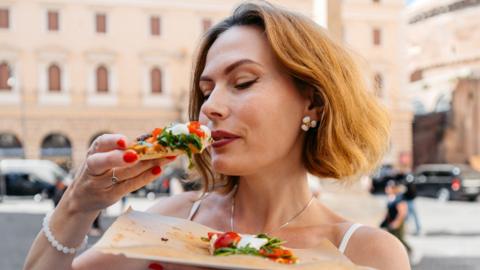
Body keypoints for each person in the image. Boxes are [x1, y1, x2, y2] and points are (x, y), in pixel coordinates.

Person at [24, 2, 410, 270]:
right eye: (206, 91)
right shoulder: (169, 222)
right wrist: (78, 203)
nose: (210, 107)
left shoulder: (366, 252)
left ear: (312, 102)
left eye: (242, 82)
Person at [380, 180, 411, 253]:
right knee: (391, 239)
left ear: (394, 188)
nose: (386, 189)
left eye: (389, 187)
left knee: (400, 239)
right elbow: (388, 211)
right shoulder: (390, 198)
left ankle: (409, 251)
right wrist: (384, 220)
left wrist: (397, 222)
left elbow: (402, 212)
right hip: (390, 221)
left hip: (397, 222)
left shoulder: (399, 198)